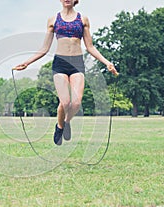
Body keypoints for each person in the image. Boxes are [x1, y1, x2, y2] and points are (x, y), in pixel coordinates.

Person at [14, 0, 118, 145]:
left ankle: (66, 122)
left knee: (75, 103)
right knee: (65, 102)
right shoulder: (53, 20)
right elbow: (44, 48)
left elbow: (90, 47)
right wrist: (27, 62)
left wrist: (107, 62)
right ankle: (59, 127)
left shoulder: (83, 19)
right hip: (60, 63)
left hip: (77, 63)